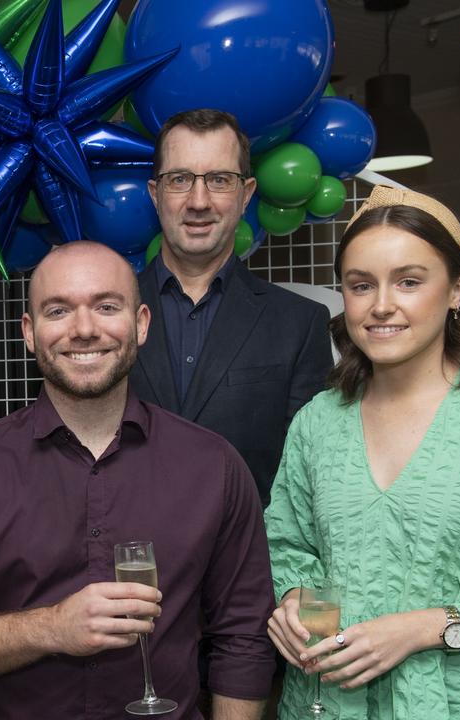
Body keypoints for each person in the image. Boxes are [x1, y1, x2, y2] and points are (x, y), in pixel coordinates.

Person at [0, 241, 277, 719]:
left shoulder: (213, 465)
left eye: (106, 306)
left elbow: (243, 635)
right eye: (58, 310)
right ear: (30, 333)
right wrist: (52, 628)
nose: (84, 330)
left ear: (140, 324)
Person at [265, 186, 460, 719]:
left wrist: (428, 626)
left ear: (458, 289)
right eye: (360, 285)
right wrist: (293, 599)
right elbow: (286, 546)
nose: (381, 305)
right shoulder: (317, 423)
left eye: (409, 281)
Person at [130, 108, 333, 504]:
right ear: (156, 194)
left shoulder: (300, 324)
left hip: (250, 559)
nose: (199, 201)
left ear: (246, 194)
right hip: (130, 562)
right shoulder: (105, 317)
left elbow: (307, 479)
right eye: (180, 180)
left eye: (220, 180)